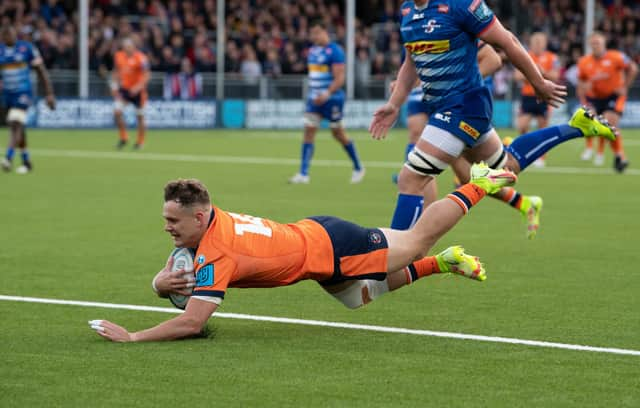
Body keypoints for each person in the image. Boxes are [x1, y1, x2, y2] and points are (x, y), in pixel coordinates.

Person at [89, 162, 517, 342]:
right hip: (316, 244)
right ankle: (445, 263)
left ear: (199, 219)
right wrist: (159, 284)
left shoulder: (215, 251)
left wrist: (134, 336)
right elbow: (189, 283)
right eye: (165, 220)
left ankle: (478, 182)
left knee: (416, 239)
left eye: (173, 222)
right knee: (359, 297)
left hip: (333, 246)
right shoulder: (211, 226)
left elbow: (193, 322)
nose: (166, 228)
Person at [369, 0, 615, 234]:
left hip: (464, 105)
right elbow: (411, 61)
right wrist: (394, 104)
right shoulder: (407, 12)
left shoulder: (462, 5)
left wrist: (538, 81)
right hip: (446, 107)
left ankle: (390, 258)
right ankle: (576, 127)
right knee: (505, 167)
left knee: (411, 179)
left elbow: (507, 42)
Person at [393, 41, 543, 239]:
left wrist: (456, 87)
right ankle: (416, 231)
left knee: (467, 177)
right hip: (431, 92)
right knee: (418, 139)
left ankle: (416, 234)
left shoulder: (459, 19)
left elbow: (495, 56)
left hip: (462, 102)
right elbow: (415, 64)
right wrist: (402, 86)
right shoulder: (414, 20)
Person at [289, 20, 365, 184]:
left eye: (317, 32)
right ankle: (303, 173)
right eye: (312, 33)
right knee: (309, 131)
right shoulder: (312, 51)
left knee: (337, 133)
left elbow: (340, 78)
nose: (314, 36)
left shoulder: (335, 51)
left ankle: (358, 167)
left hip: (332, 99)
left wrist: (327, 93)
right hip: (314, 99)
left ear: (325, 32)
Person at [577, 32, 638, 172]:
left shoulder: (616, 57)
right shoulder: (584, 62)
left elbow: (633, 68)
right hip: (594, 98)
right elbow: (581, 81)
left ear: (604, 43)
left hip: (613, 96)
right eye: (593, 43)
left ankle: (619, 156)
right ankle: (595, 150)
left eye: (597, 42)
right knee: (591, 124)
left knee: (609, 122)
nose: (595, 45)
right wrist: (583, 96)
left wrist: (624, 86)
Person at [0, 26, 55, 174]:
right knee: (19, 128)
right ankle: (26, 161)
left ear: (15, 35)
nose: (7, 37)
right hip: (8, 95)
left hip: (24, 93)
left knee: (14, 122)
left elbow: (41, 71)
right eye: (4, 35)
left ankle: (8, 157)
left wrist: (49, 94)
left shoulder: (26, 48)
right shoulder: (1, 51)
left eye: (9, 33)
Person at [514, 32, 561, 168]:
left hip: (544, 95)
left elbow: (555, 76)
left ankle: (541, 157)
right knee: (522, 126)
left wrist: (542, 72)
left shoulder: (552, 58)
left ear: (545, 43)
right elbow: (517, 76)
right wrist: (534, 72)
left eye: (540, 42)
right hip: (528, 96)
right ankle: (527, 150)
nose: (538, 44)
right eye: (535, 42)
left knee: (542, 127)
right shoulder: (525, 55)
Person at [112, 37, 150, 150]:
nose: (126, 49)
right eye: (125, 47)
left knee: (140, 117)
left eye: (129, 46)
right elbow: (116, 71)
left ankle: (140, 142)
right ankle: (124, 137)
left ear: (134, 47)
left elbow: (147, 75)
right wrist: (114, 86)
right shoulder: (118, 56)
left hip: (138, 92)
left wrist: (138, 88)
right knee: (117, 112)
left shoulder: (141, 58)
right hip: (125, 90)